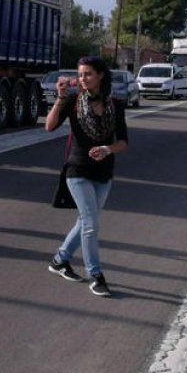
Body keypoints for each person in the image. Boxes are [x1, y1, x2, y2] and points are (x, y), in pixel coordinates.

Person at [44, 55, 128, 298]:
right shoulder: (72, 101)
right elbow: (49, 126)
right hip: (77, 170)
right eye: (80, 75)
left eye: (88, 73)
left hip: (104, 172)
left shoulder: (115, 105)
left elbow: (123, 142)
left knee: (85, 221)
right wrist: (59, 98)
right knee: (91, 224)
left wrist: (107, 149)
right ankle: (96, 275)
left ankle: (60, 260)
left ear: (100, 75)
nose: (83, 78)